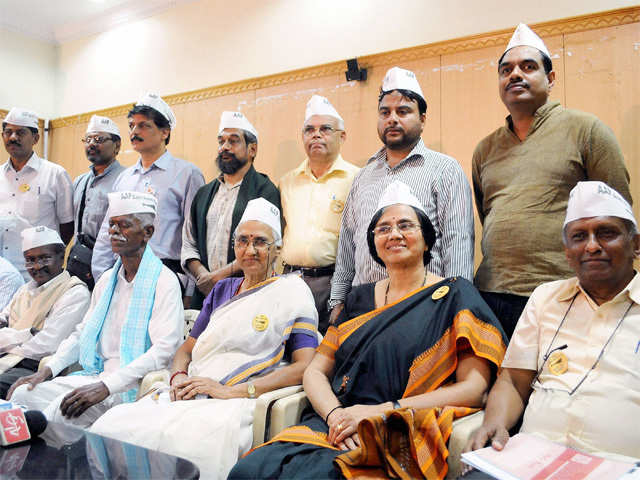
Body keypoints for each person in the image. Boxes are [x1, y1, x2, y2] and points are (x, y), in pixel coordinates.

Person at [230, 181, 506, 479]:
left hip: (401, 425)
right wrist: (336, 415)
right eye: (384, 228)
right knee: (249, 469)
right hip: (335, 422)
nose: (394, 234)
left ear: (427, 239)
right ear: (374, 243)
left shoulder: (455, 295)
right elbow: (314, 371)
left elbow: (474, 390)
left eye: (405, 225)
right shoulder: (358, 298)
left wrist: (381, 411)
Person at [92, 198, 319, 479]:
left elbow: (304, 366)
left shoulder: (293, 292)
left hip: (239, 400)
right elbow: (186, 350)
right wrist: (177, 379)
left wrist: (233, 391)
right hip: (193, 389)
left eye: (260, 242)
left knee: (185, 441)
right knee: (113, 424)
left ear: (278, 249)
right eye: (242, 241)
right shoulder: (223, 289)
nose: (250, 250)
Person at [465, 181, 640, 468]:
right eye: (579, 236)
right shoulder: (546, 298)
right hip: (533, 461)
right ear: (567, 251)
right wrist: (494, 423)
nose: (592, 246)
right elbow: (512, 381)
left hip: (619, 467)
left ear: (636, 244)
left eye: (606, 233)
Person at [472, 23, 632, 337]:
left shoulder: (586, 130)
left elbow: (618, 215)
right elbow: (487, 215)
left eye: (528, 66)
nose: (515, 74)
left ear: (551, 78)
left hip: (566, 293)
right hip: (492, 295)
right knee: (500, 385)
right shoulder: (485, 149)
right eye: (506, 70)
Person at [8, 191, 183, 430]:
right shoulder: (108, 280)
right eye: (111, 224)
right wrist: (49, 369)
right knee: (22, 396)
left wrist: (107, 386)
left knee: (60, 411)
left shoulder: (164, 280)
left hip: (134, 385)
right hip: (97, 375)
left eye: (124, 225)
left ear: (147, 233)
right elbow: (82, 333)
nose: (114, 231)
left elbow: (165, 349)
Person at [329, 66, 475, 324]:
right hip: (364, 306)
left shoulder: (444, 169)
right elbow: (348, 246)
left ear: (423, 119)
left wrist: (456, 306)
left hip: (425, 304)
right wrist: (338, 301)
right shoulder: (363, 176)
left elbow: (458, 244)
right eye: (385, 112)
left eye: (403, 111)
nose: (392, 119)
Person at [91, 93, 205, 284]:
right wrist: (102, 277)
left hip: (166, 276)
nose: (134, 131)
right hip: (121, 275)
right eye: (131, 126)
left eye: (144, 125)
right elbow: (107, 230)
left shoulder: (187, 174)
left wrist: (190, 288)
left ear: (164, 132)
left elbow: (193, 235)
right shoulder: (124, 178)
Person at [181, 111, 280, 309]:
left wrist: (218, 277)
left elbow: (268, 246)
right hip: (205, 290)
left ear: (252, 149)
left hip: (246, 289)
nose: (224, 147)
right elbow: (188, 243)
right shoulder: (204, 193)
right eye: (221, 141)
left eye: (233, 141)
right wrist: (203, 276)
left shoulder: (264, 189)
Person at [280, 95, 360, 334]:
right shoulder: (287, 182)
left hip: (333, 282)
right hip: (290, 281)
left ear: (342, 136)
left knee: (330, 350)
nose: (316, 135)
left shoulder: (358, 179)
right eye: (309, 130)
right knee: (290, 350)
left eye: (325, 129)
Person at [0, 226, 89, 398]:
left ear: (62, 257)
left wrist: (6, 339)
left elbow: (46, 345)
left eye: (44, 258)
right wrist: (27, 334)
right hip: (8, 358)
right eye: (30, 260)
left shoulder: (74, 292)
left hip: (35, 367)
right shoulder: (24, 290)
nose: (37, 266)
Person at [0, 108, 74, 281]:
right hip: (3, 271)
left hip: (37, 273)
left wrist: (46, 258)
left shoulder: (55, 174)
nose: (12, 138)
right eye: (8, 132)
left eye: (20, 132)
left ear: (35, 138)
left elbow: (67, 226)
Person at [70, 115, 125, 290]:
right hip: (79, 261)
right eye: (88, 139)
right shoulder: (79, 181)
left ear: (117, 145)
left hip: (109, 265)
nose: (91, 144)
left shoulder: (126, 179)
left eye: (99, 139)